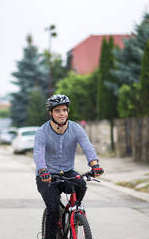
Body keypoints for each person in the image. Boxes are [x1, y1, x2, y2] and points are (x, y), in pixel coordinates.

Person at [34, 94, 104, 239]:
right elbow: (38, 152)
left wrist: (95, 165)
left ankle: (74, 213)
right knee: (53, 210)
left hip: (67, 172)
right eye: (57, 110)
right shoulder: (42, 131)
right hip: (47, 176)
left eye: (64, 110)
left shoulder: (76, 128)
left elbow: (87, 147)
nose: (62, 113)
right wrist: (42, 170)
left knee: (81, 183)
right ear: (51, 113)